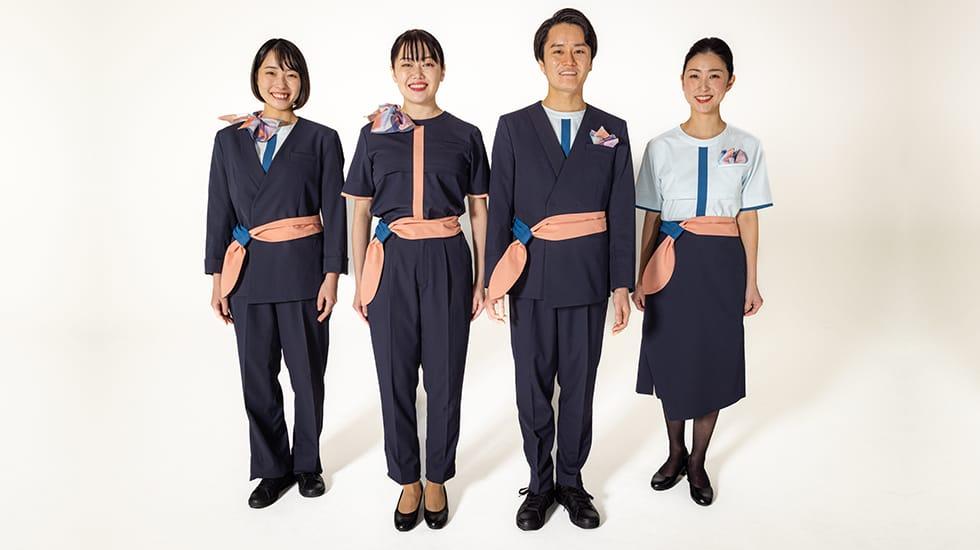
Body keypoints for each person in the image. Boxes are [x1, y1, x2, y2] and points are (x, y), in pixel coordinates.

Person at [484, 8, 634, 531]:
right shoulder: (512, 127)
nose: (569, 60)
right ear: (541, 59)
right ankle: (539, 481)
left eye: (579, 50)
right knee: (532, 384)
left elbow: (621, 210)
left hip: (589, 278)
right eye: (558, 50)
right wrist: (492, 281)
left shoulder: (612, 130)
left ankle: (571, 480)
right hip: (529, 277)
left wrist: (622, 284)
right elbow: (498, 208)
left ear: (592, 59)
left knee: (579, 382)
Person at [342, 29, 489, 531]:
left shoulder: (466, 134)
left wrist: (483, 276)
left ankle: (437, 476)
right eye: (407, 64)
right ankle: (406, 477)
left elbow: (480, 209)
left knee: (445, 376)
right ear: (393, 73)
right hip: (391, 261)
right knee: (395, 375)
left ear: (443, 71)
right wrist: (361, 279)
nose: (418, 72)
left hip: (449, 255)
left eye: (428, 63)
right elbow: (359, 212)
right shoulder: (373, 135)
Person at [205, 38, 347, 509]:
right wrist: (216, 279)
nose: (280, 83)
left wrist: (332, 275)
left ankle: (307, 464)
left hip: (304, 274)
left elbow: (335, 212)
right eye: (270, 73)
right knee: (256, 375)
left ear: (302, 81)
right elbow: (219, 211)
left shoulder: (321, 139)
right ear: (256, 78)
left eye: (290, 73)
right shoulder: (229, 140)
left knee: (307, 375)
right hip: (246, 277)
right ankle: (271, 469)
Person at [632, 37, 773, 507]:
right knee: (670, 358)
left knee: (712, 359)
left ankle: (697, 460)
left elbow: (748, 217)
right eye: (694, 75)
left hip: (720, 267)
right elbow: (651, 216)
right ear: (682, 82)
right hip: (670, 263)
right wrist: (640, 276)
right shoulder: (660, 146)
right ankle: (674, 452)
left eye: (714, 75)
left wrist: (751, 280)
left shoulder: (747, 147)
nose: (704, 85)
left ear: (730, 82)